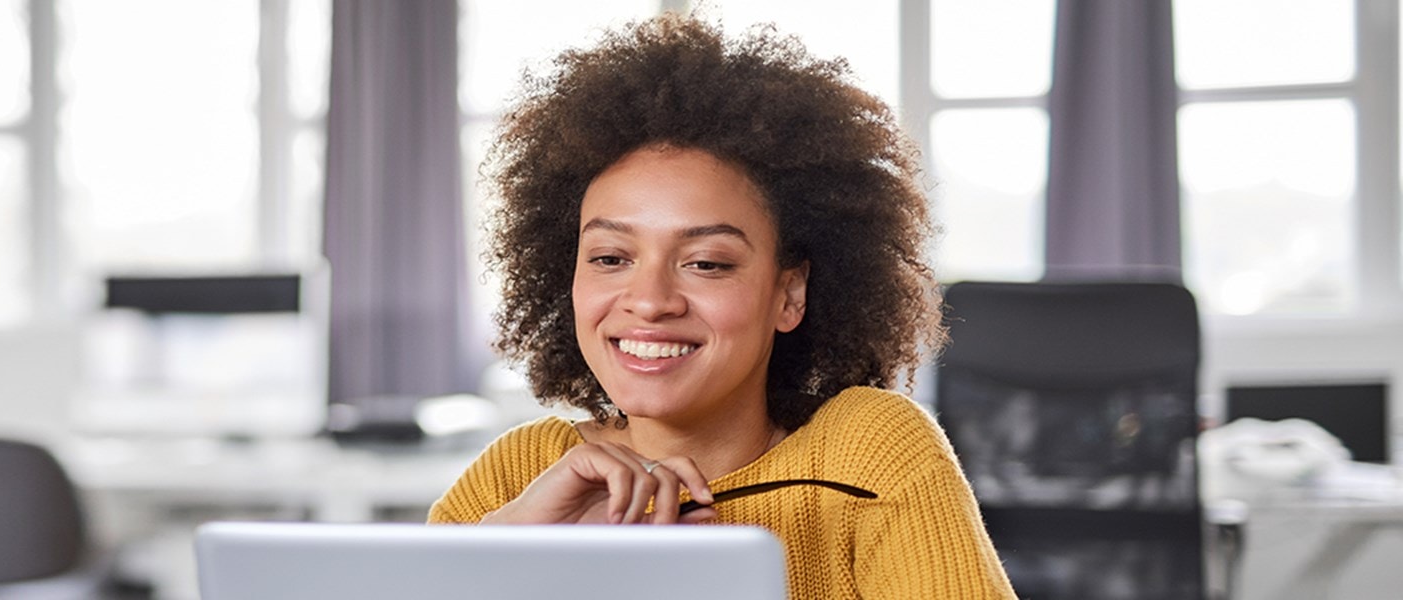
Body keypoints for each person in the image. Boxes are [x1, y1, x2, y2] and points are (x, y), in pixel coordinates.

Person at [427, 13, 1015, 598]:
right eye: (610, 258)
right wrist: (504, 558)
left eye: (706, 263)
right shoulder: (518, 477)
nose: (650, 302)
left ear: (789, 295)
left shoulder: (867, 453)